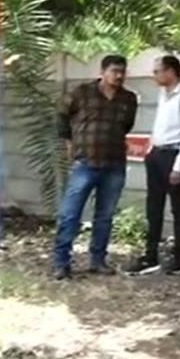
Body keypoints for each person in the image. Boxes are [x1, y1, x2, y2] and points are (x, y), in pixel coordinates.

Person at [51, 54, 138, 280]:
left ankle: (97, 260)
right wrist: (69, 141)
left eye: (122, 72)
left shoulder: (128, 99)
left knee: (105, 215)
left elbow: (127, 126)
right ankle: (61, 262)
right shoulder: (81, 93)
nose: (119, 76)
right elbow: (61, 114)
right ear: (102, 72)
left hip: (114, 163)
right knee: (70, 214)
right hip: (85, 162)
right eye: (114, 71)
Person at [126, 55, 180, 275]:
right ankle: (150, 256)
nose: (154, 75)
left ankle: (179, 258)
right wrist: (150, 149)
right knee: (153, 206)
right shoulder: (163, 94)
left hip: (175, 154)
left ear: (170, 71)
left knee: (178, 207)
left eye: (157, 71)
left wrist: (179, 166)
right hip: (157, 153)